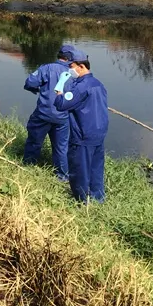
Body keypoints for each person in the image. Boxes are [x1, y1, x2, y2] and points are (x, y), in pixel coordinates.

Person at [53, 49, 108, 204]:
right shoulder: (99, 84)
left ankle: (81, 202)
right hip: (99, 133)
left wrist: (60, 86)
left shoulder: (80, 87)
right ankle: (98, 199)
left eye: (72, 66)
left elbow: (61, 104)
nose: (70, 70)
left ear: (81, 66)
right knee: (96, 169)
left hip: (83, 135)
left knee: (79, 169)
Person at [22, 44, 79, 181]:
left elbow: (30, 82)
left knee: (34, 142)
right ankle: (62, 177)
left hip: (43, 114)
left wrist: (37, 89)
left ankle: (27, 171)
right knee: (61, 148)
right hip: (62, 117)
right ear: (70, 58)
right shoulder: (74, 75)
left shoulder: (46, 68)